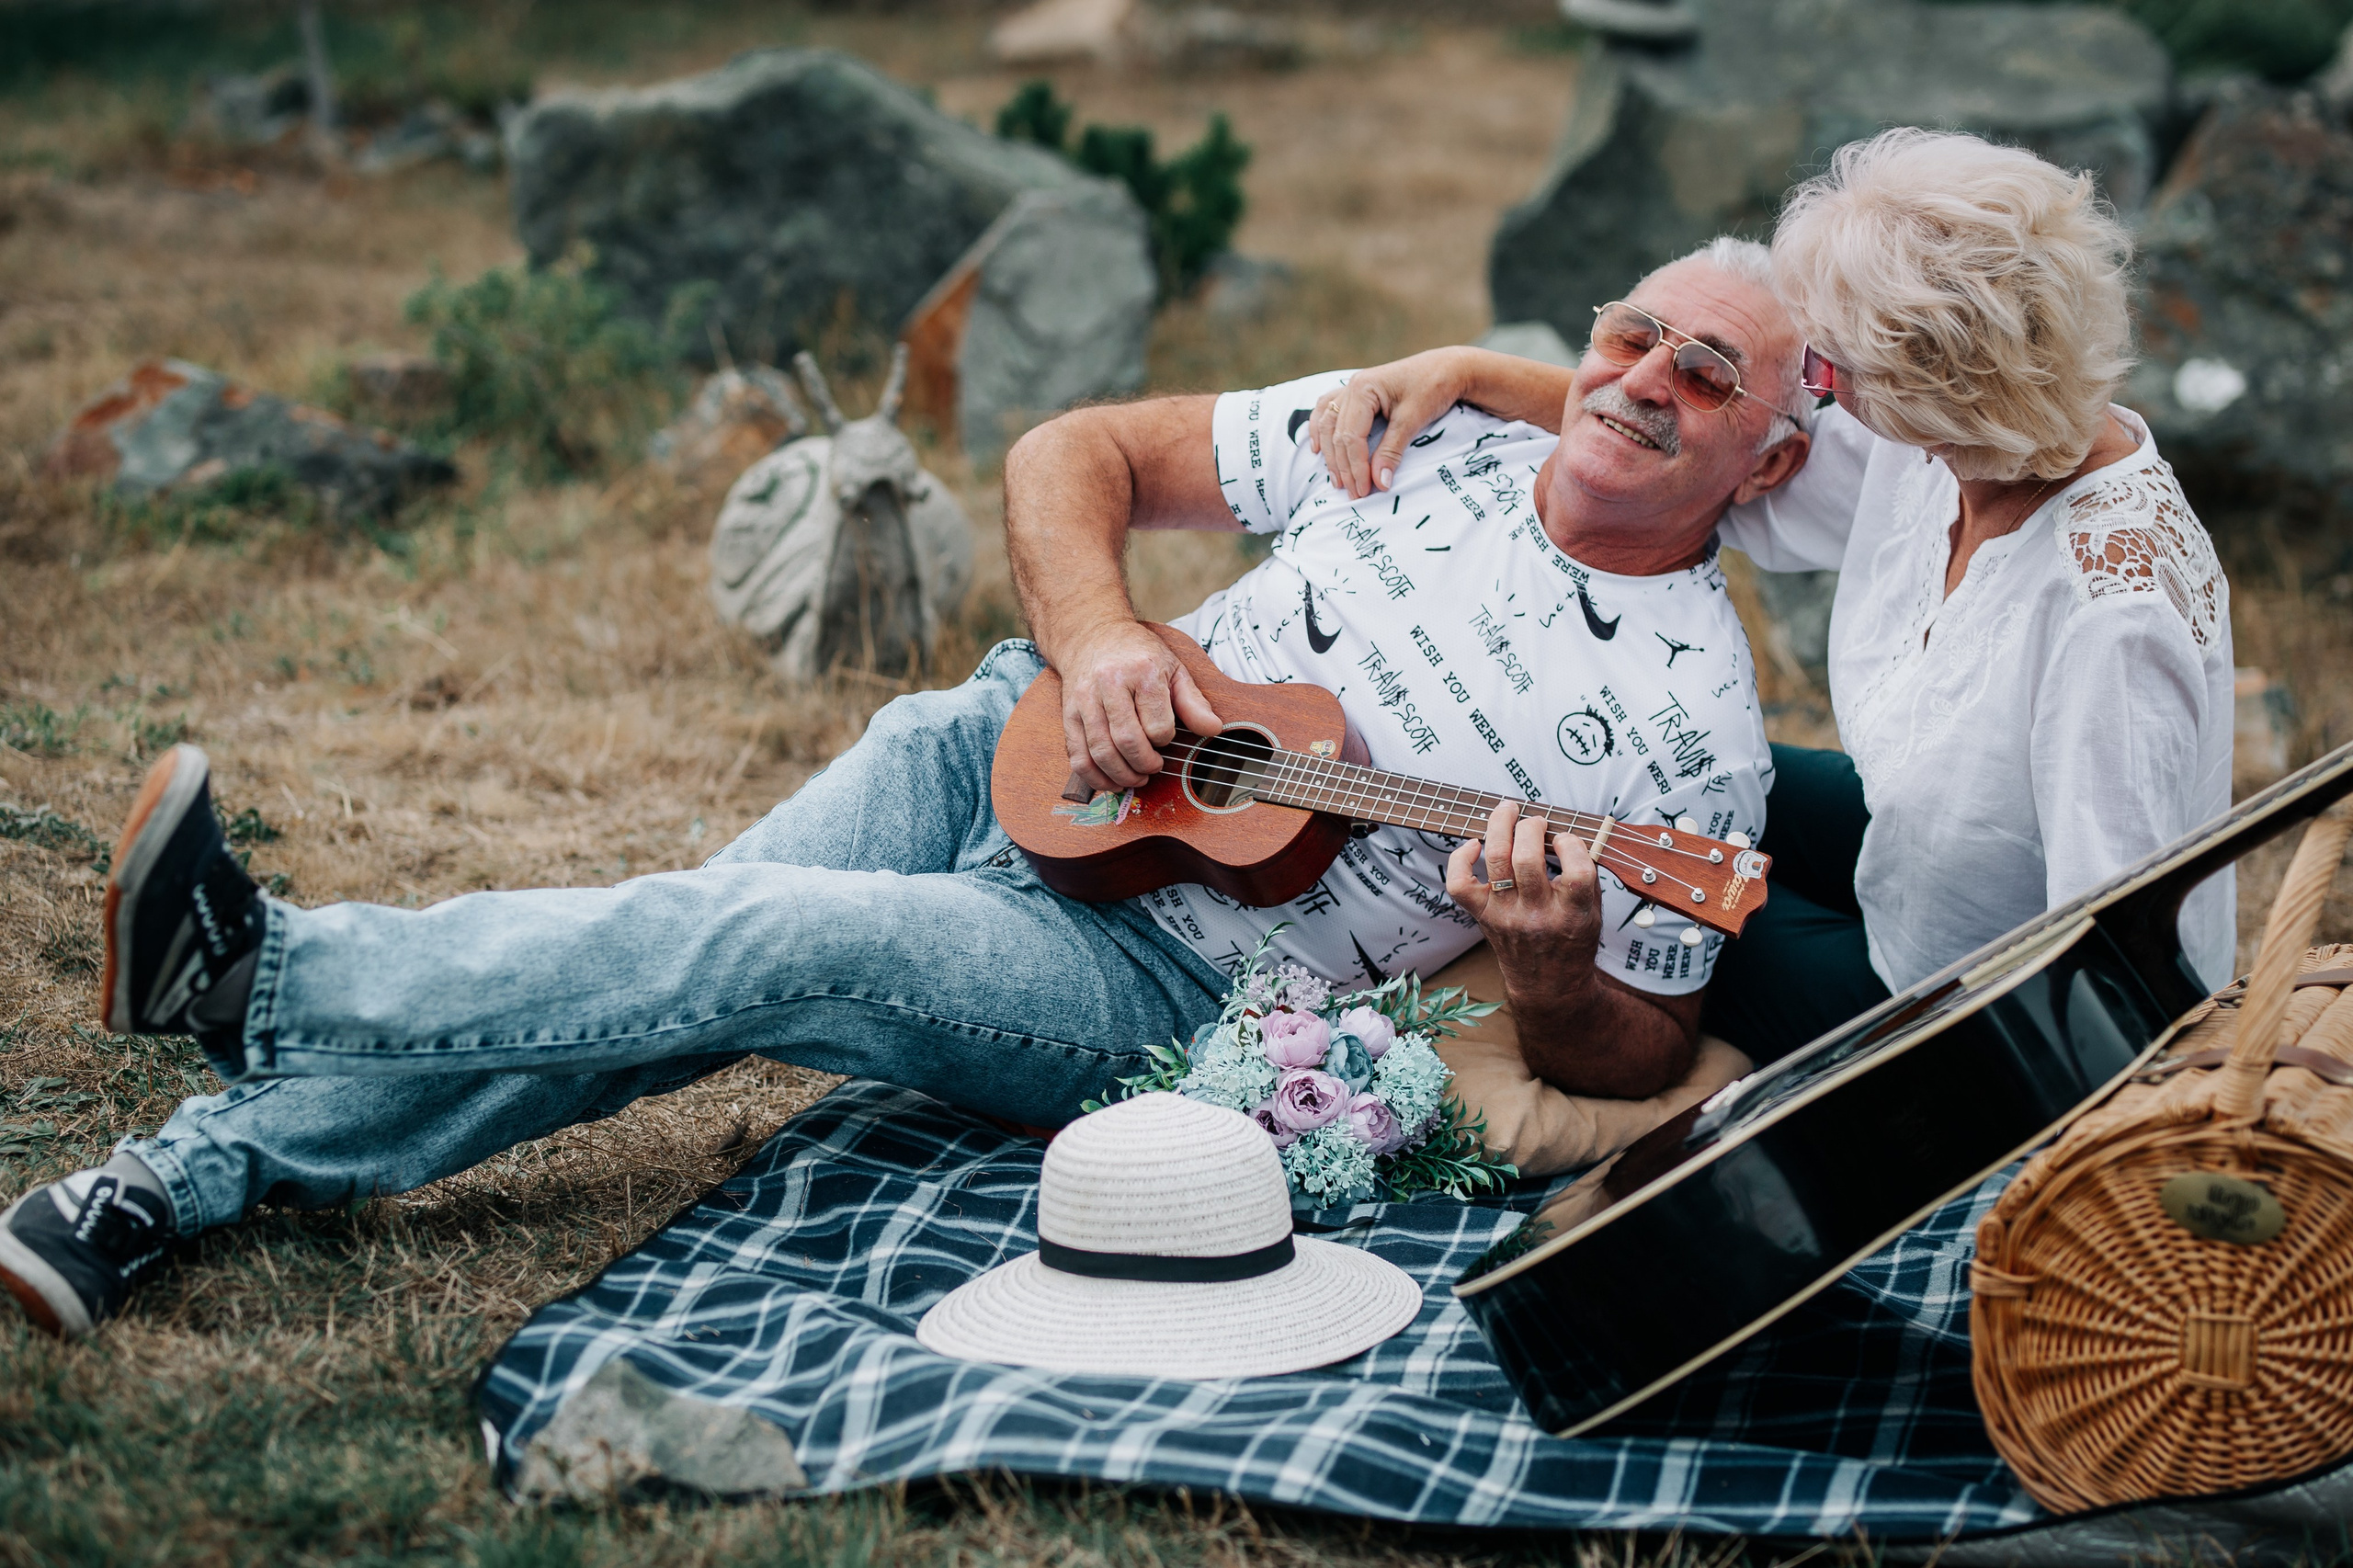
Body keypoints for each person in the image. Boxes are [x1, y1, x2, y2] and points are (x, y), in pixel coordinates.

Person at [0, 240, 1811, 1339]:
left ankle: (262, 984)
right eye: (1629, 332)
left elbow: (1640, 1060)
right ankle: (181, 1182)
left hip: (1164, 987)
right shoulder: (1445, 430)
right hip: (1025, 746)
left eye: (1700, 375)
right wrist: (1104, 640)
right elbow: (1072, 450)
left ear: (1770, 451)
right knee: (678, 973)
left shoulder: (1682, 742)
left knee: (749, 938)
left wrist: (1558, 967)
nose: (1638, 380)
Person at [1307, 128, 2235, 1066]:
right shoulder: (1947, 447)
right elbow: (1704, 437)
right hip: (1918, 847)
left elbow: (2118, 956)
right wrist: (1468, 370)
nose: (1814, 394)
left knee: (1644, 913)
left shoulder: (2109, 620)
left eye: (1828, 372)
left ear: (1941, 389)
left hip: (1983, 1010)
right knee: (1627, 788)